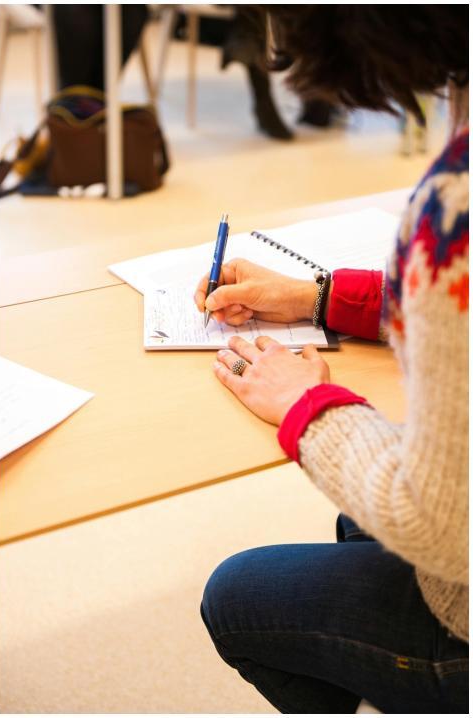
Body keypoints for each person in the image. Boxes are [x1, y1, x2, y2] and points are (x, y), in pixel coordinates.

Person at [195, 6, 468, 714]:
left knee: (236, 598)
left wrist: (309, 408)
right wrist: (317, 298)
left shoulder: (455, 203)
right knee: (354, 524)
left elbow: (439, 523)